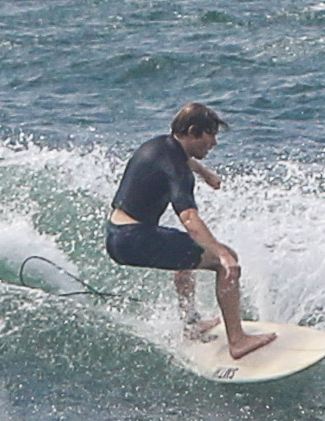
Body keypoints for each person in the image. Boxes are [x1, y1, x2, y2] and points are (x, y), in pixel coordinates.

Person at [106, 103, 276, 359]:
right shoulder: (178, 170)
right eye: (211, 135)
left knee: (184, 254)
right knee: (225, 262)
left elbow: (184, 159)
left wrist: (205, 172)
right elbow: (188, 217)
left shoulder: (161, 145)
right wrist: (220, 253)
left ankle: (191, 323)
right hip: (133, 239)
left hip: (117, 232)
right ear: (194, 131)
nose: (215, 143)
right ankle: (238, 341)